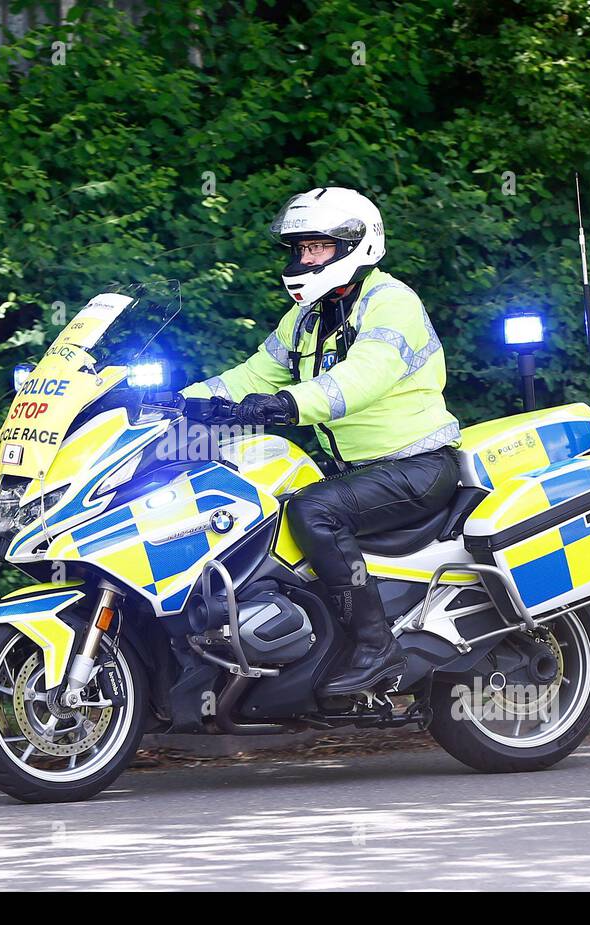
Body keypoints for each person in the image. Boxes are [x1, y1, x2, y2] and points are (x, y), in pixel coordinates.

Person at [182, 187, 461, 696]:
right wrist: (173, 402)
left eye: (318, 247)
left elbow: (361, 379)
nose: (304, 259)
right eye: (300, 248)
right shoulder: (307, 318)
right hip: (354, 471)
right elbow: (251, 376)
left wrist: (286, 405)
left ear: (357, 245)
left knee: (313, 512)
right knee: (256, 505)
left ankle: (378, 648)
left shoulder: (391, 303)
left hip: (417, 466)